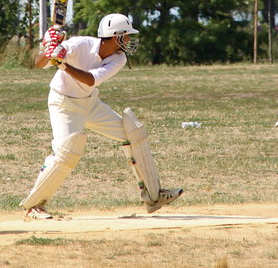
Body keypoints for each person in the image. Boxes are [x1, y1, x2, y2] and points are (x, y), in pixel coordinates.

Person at [21, 13, 184, 220]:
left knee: (132, 134)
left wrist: (62, 63)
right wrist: (49, 49)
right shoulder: (80, 44)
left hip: (90, 102)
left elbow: (90, 80)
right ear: (116, 37)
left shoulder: (119, 58)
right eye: (126, 36)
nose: (129, 41)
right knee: (65, 153)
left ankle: (153, 196)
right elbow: (39, 63)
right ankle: (34, 205)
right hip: (64, 104)